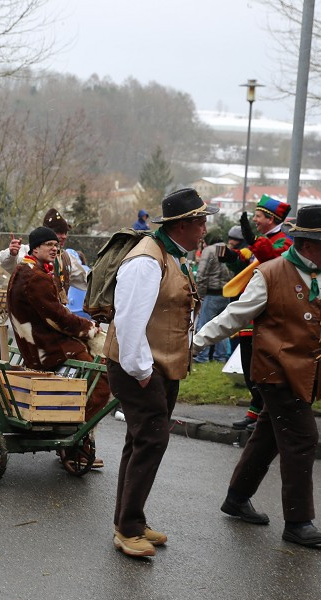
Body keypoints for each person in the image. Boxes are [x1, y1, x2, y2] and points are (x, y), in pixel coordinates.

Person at [193, 205, 321, 548]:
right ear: (306, 244)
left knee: (268, 434)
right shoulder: (270, 274)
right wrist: (195, 343)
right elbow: (236, 315)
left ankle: (236, 497)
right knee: (303, 438)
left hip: (313, 371)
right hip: (276, 370)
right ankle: (298, 521)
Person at [105, 188, 210, 558]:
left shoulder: (169, 254)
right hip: (140, 367)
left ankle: (130, 518)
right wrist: (141, 370)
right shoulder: (147, 260)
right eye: (200, 223)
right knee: (151, 440)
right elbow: (130, 318)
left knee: (141, 442)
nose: (204, 230)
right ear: (182, 225)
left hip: (157, 365)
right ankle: (127, 528)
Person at [8, 226, 109, 469]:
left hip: (36, 346)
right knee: (101, 383)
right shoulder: (36, 278)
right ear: (35, 248)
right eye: (48, 245)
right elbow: (59, 319)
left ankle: (75, 441)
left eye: (56, 245)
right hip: (47, 350)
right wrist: (90, 329)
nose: (54, 248)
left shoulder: (25, 270)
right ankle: (74, 442)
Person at [223, 196, 294, 428]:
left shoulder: (286, 242)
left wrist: (253, 241)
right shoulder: (261, 240)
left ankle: (266, 413)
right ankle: (255, 410)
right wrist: (232, 258)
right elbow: (245, 268)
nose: (255, 220)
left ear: (271, 218)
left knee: (264, 366)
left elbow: (274, 262)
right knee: (249, 365)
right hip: (251, 311)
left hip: (268, 313)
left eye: (259, 216)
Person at [0, 208, 85, 305]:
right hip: (31, 315)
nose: (64, 236)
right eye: (60, 232)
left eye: (65, 232)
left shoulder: (67, 258)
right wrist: (12, 254)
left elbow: (85, 280)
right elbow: (6, 262)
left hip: (57, 315)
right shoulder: (29, 252)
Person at [192, 226, 238, 362]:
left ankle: (201, 356)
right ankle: (221, 356)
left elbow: (201, 275)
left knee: (204, 326)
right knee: (222, 326)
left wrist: (199, 295)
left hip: (211, 294)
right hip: (226, 293)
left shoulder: (209, 251)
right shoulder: (227, 249)